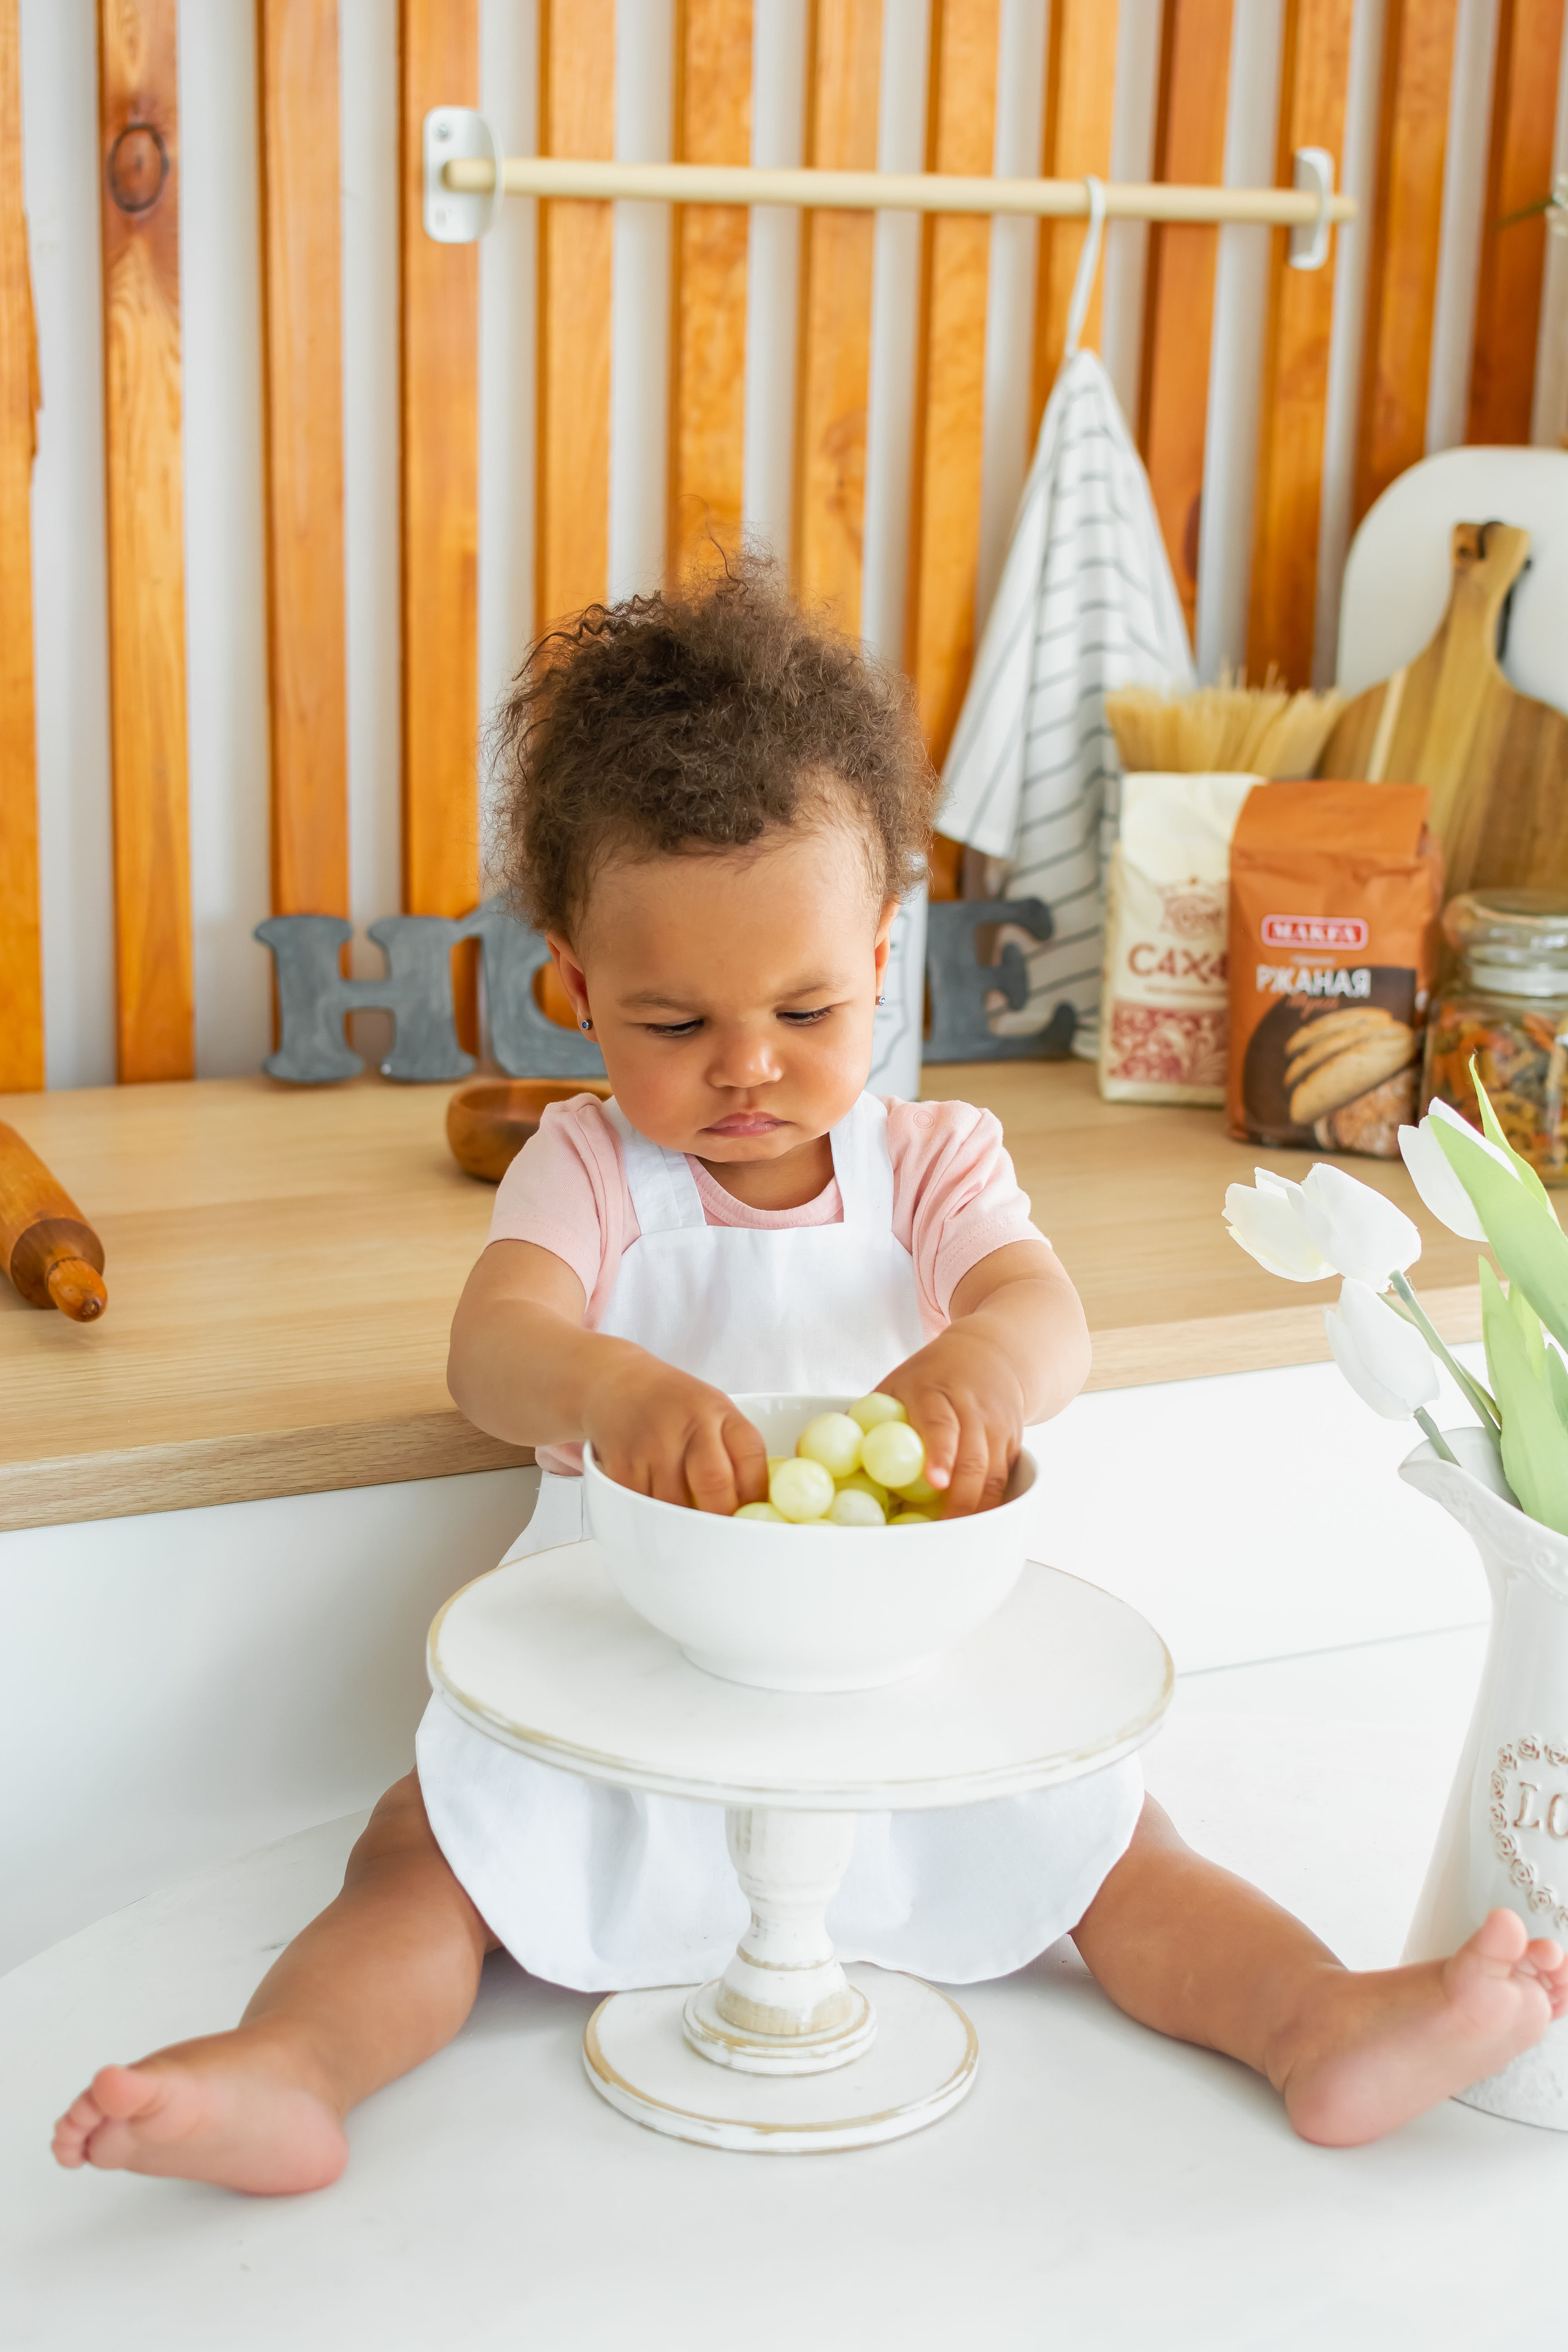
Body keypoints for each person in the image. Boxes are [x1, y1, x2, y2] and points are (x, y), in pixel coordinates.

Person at [53, 564, 1568, 2195]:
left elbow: (1042, 1310)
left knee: (1123, 1850)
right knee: (422, 1858)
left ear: (884, 949)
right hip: (619, 1656)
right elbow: (489, 1353)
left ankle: (1317, 2024)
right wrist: (606, 1385)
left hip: (891, 1664)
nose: (748, 1066)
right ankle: (291, 2069)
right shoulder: (588, 1169)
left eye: (807, 1005)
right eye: (671, 1018)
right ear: (573, 984)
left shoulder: (929, 1158)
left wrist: (983, 1364)